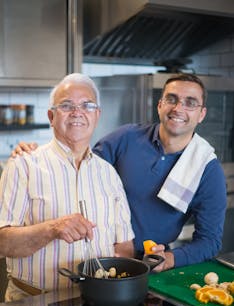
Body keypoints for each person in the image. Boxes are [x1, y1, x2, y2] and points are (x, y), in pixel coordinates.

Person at [14, 73, 227, 272]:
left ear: (202, 114)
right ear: (160, 105)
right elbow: (78, 164)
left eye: (190, 103)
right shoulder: (126, 138)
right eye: (171, 99)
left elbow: (210, 241)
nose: (178, 108)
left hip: (150, 262)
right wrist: (38, 153)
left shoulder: (206, 168)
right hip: (100, 255)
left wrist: (169, 258)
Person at [0, 73, 135, 301]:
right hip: (32, 304)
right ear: (51, 116)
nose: (77, 112)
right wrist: (52, 228)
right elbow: (2, 244)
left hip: (95, 302)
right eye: (66, 105)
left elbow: (123, 246)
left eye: (87, 105)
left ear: (97, 115)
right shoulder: (23, 165)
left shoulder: (108, 174)